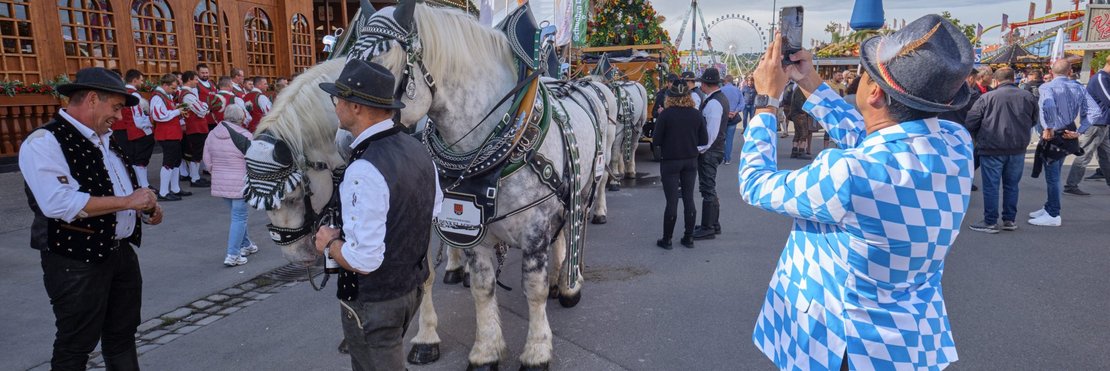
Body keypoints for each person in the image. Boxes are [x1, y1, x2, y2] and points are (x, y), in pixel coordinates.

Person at [742, 15, 974, 369]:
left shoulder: (849, 175)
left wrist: (765, 102)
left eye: (864, 76)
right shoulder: (955, 144)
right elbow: (877, 137)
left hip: (842, 345)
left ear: (875, 93)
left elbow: (755, 183)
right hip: (910, 342)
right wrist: (809, 81)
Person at [20, 67, 164, 370]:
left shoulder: (107, 139)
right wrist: (128, 201)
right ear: (93, 99)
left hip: (120, 253)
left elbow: (116, 191)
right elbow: (58, 202)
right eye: (116, 107)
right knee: (75, 344)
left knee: (122, 335)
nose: (120, 116)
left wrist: (145, 207)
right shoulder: (45, 141)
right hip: (74, 259)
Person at [312, 59, 443, 370]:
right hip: (409, 291)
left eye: (338, 99)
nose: (336, 107)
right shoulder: (417, 149)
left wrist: (329, 243)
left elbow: (364, 260)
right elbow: (433, 208)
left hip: (375, 302)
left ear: (356, 106)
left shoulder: (364, 167)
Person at [964, 67, 1039, 233]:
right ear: (1014, 79)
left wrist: (979, 135)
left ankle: (990, 221)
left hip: (992, 147)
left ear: (996, 81)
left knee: (991, 186)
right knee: (1012, 186)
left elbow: (971, 121)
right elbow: (1034, 120)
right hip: (1017, 148)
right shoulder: (1028, 97)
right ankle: (1009, 220)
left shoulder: (987, 97)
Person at [652, 82, 708, 249]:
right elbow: (703, 140)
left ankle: (667, 239)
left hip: (670, 160)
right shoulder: (696, 114)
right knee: (689, 198)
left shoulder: (666, 115)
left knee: (672, 201)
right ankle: (688, 237)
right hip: (690, 160)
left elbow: (656, 140)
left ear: (670, 96)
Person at [1031, 59, 1087, 226]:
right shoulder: (1079, 87)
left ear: (1051, 70)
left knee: (1053, 176)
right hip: (1069, 131)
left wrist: (1048, 127)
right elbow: (1093, 111)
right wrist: (1080, 130)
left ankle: (1053, 213)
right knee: (1054, 173)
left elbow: (1047, 106)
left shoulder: (1046, 87)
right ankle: (1049, 207)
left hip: (1054, 132)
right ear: (1070, 72)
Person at [203, 104, 258, 266]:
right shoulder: (245, 135)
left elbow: (207, 160)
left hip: (221, 180)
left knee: (237, 216)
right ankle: (233, 255)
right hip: (241, 181)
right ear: (241, 118)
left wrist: (216, 173)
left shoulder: (212, 134)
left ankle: (246, 244)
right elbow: (253, 160)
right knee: (239, 217)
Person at [1063, 58, 1110, 195]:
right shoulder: (1101, 78)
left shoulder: (1104, 78)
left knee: (1106, 155)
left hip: (1102, 122)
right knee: (1085, 154)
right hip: (1096, 122)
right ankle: (1071, 185)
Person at [692, 67, 728, 240]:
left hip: (711, 151)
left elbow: (711, 133)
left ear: (706, 84)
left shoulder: (714, 103)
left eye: (702, 83)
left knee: (707, 188)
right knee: (709, 187)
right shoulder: (718, 99)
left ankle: (708, 227)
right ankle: (713, 223)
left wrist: (700, 149)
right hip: (715, 149)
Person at [150, 73, 191, 201]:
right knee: (168, 162)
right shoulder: (157, 97)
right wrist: (177, 111)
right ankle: (163, 192)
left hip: (172, 133)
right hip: (166, 134)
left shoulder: (165, 96)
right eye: (173, 88)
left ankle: (175, 188)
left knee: (176, 161)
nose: (175, 91)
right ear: (165, 85)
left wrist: (177, 110)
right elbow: (158, 116)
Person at [119, 69, 155, 190]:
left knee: (134, 159)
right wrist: (150, 123)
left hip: (126, 130)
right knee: (141, 159)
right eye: (141, 80)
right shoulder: (134, 94)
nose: (142, 82)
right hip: (137, 130)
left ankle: (140, 184)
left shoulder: (122, 91)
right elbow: (138, 117)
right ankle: (144, 185)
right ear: (134, 80)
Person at [783, 82, 813, 159]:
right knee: (804, 133)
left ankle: (794, 151)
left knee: (797, 133)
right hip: (799, 114)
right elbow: (799, 102)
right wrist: (805, 111)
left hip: (796, 113)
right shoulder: (800, 90)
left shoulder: (798, 89)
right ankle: (801, 151)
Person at [720, 74, 743, 164]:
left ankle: (721, 156)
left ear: (725, 81)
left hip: (723, 116)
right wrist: (735, 111)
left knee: (722, 138)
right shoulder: (737, 90)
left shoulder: (721, 90)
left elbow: (719, 102)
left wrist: (726, 112)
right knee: (729, 139)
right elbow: (742, 104)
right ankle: (727, 158)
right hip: (733, 117)